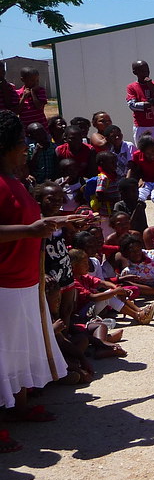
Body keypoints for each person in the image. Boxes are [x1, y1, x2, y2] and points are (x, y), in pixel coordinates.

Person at [0, 111, 86, 446]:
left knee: (18, 351)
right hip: (4, 282)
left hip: (25, 281)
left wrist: (62, 221)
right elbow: (21, 228)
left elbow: (33, 221)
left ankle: (19, 407)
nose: (27, 148)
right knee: (3, 352)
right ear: (7, 145)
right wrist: (30, 230)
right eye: (22, 143)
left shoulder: (17, 181)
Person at [125, 61, 154, 146]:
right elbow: (132, 105)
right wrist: (147, 104)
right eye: (142, 71)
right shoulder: (131, 87)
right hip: (141, 126)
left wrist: (151, 86)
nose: (146, 73)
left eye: (147, 70)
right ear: (135, 72)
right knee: (142, 150)